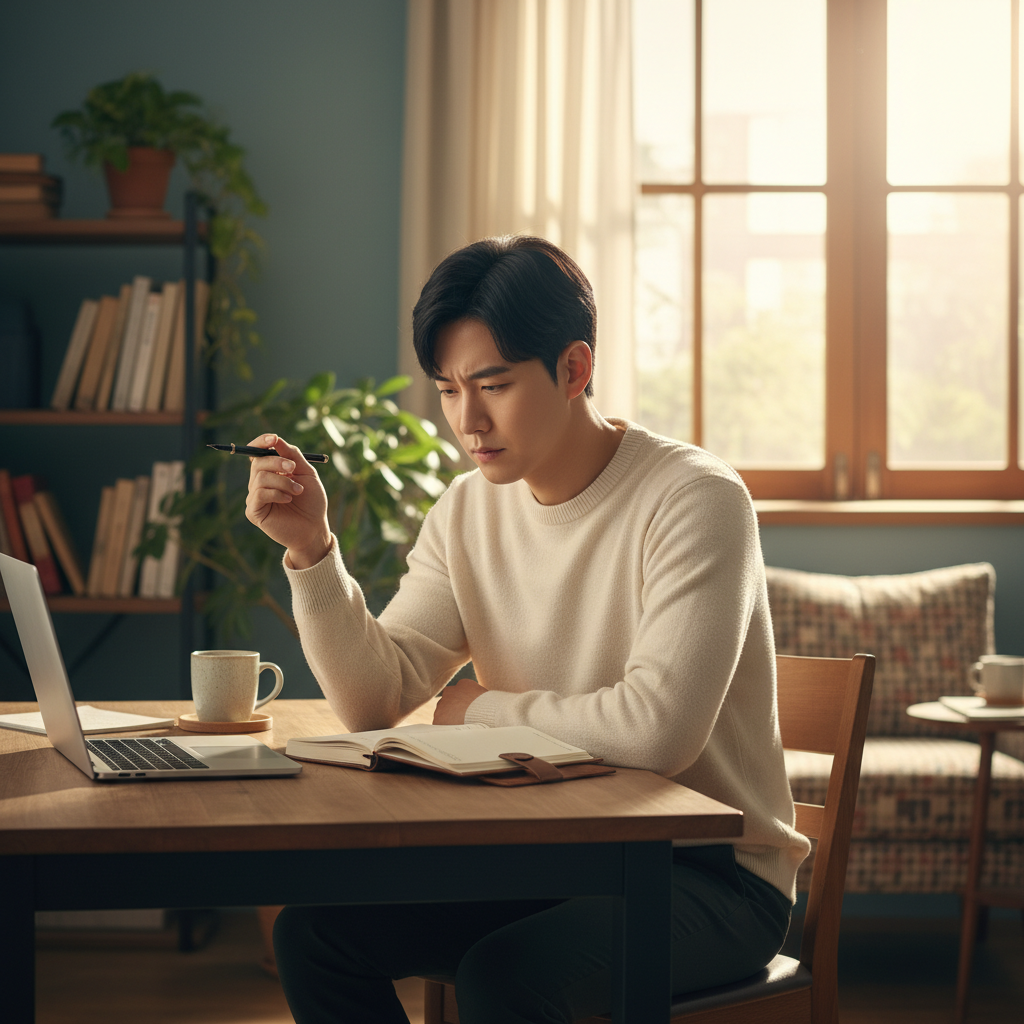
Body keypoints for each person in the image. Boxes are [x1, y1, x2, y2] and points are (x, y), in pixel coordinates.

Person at [245, 235, 809, 1024]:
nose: (467, 421)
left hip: (709, 877)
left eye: (494, 385)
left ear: (575, 369)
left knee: (509, 977)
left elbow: (659, 732)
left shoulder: (694, 498)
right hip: (555, 853)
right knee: (316, 936)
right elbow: (375, 698)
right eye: (447, 390)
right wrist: (311, 549)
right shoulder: (469, 510)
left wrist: (479, 709)